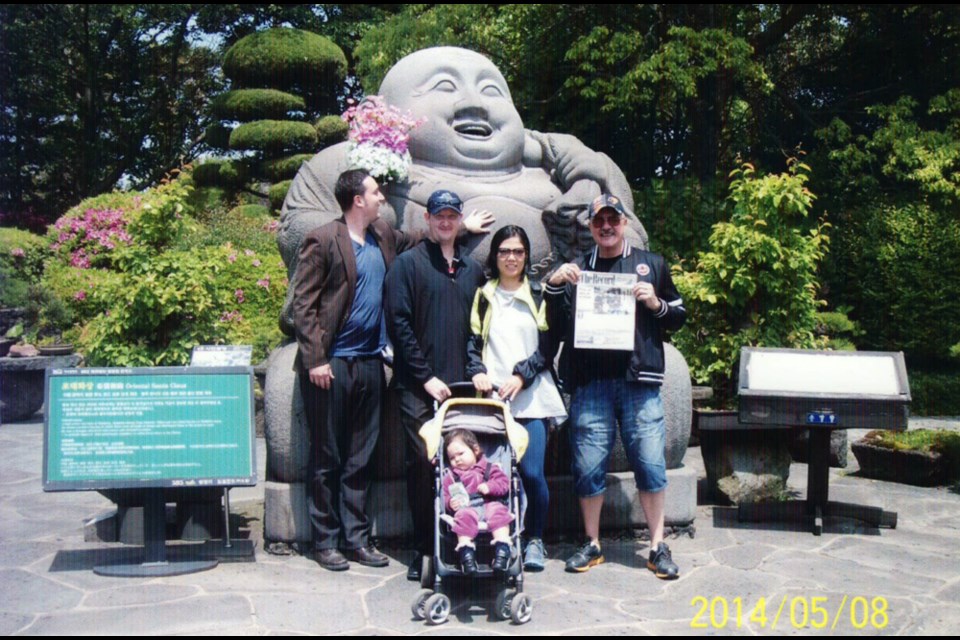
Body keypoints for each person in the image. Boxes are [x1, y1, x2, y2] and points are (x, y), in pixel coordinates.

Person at [544, 194, 687, 579]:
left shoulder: (651, 264)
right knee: (588, 466)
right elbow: (554, 326)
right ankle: (592, 543)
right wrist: (555, 287)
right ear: (590, 227)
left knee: (651, 462)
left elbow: (679, 315)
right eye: (598, 221)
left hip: (638, 382)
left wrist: (656, 303)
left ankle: (657, 545)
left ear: (624, 222)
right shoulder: (576, 270)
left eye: (613, 219)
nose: (606, 226)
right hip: (591, 384)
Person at [292, 169, 416, 571]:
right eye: (376, 192)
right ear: (357, 199)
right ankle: (325, 541)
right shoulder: (323, 238)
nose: (382, 197)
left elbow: (416, 240)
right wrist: (315, 359)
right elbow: (303, 305)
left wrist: (459, 226)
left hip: (369, 364)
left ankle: (357, 539)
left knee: (362, 457)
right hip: (331, 366)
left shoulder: (382, 236)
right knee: (327, 455)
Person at [384, 189, 486, 581]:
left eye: (452, 216)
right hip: (417, 388)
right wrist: (426, 377)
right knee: (425, 467)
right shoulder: (407, 266)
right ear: (427, 219)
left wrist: (476, 369)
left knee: (464, 468)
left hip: (461, 389)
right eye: (438, 215)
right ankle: (425, 546)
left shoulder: (472, 271)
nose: (445, 221)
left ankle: (463, 539)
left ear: (459, 221)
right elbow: (399, 325)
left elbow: (478, 331)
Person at [466, 225, 566, 571]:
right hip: (491, 401)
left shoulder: (539, 294)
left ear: (527, 257)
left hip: (531, 398)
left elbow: (549, 346)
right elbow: (472, 342)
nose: (511, 257)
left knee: (532, 472)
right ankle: (496, 539)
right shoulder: (484, 294)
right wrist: (476, 369)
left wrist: (522, 375)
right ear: (495, 256)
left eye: (518, 252)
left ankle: (535, 538)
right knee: (491, 475)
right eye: (505, 251)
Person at [441, 429, 514, 575]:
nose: (457, 460)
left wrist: (490, 486)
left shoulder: (489, 468)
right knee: (462, 516)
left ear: (475, 450)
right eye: (452, 458)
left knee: (499, 512)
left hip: (490, 503)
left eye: (461, 454)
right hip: (467, 507)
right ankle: (466, 553)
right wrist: (450, 503)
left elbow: (504, 484)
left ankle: (502, 549)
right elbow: (444, 495)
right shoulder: (450, 476)